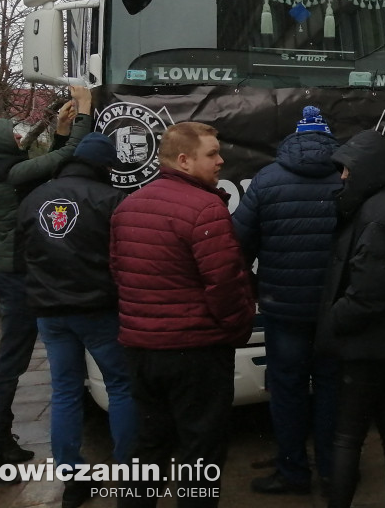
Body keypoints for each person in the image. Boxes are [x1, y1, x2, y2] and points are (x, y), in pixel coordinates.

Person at [110, 122, 255, 508]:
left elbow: (118, 272)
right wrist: (238, 328)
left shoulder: (128, 206)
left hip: (141, 351)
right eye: (212, 154)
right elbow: (225, 284)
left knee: (149, 449)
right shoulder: (206, 208)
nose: (221, 161)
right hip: (196, 353)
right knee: (200, 456)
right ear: (185, 160)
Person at [0, 86, 92, 484]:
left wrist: (62, 129)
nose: (15, 138)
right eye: (8, 135)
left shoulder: (4, 171)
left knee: (14, 358)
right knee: (12, 360)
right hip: (16, 274)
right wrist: (84, 113)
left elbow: (48, 164)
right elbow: (62, 160)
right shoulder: (6, 172)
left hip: (11, 271)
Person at [16, 133, 135, 508]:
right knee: (121, 387)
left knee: (65, 392)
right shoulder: (112, 199)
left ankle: (73, 480)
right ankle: (130, 476)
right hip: (99, 310)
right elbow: (127, 261)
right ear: (103, 166)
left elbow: (23, 259)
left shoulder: (33, 199)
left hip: (51, 314)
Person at [232, 106, 342, 496]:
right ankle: (333, 471)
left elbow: (238, 245)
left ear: (293, 139)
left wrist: (260, 283)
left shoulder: (267, 179)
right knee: (332, 389)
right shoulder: (347, 178)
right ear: (330, 138)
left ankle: (293, 471)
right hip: (335, 309)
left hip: (283, 308)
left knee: (287, 389)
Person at [316, 129, 385, 508]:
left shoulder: (376, 214)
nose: (342, 177)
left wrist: (333, 320)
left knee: (347, 437)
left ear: (366, 169)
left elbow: (368, 292)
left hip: (368, 347)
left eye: (347, 170)